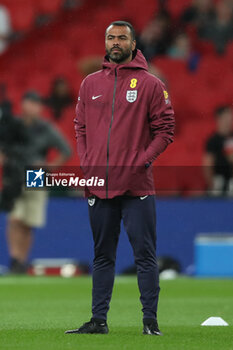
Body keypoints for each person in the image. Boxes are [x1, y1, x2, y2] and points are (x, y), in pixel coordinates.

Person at [66, 21, 175, 336]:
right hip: (98, 185)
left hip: (137, 186)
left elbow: (166, 130)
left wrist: (141, 162)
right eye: (111, 38)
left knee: (144, 255)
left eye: (122, 38)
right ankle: (98, 321)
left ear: (133, 43)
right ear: (105, 42)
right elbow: (80, 127)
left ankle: (150, 322)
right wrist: (87, 163)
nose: (116, 42)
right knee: (102, 255)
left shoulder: (151, 84)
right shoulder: (90, 84)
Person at [6, 91, 71, 274]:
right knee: (15, 217)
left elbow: (66, 149)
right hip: (15, 173)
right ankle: (15, 257)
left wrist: (50, 167)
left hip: (35, 174)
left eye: (36, 104)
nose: (32, 107)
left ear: (40, 108)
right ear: (23, 105)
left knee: (28, 221)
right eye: (29, 103)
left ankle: (21, 261)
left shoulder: (45, 128)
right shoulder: (14, 126)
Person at [203, 105, 233, 195]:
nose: (228, 121)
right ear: (218, 119)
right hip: (219, 180)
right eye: (226, 117)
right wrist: (211, 183)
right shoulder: (213, 141)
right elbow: (207, 164)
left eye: (230, 117)